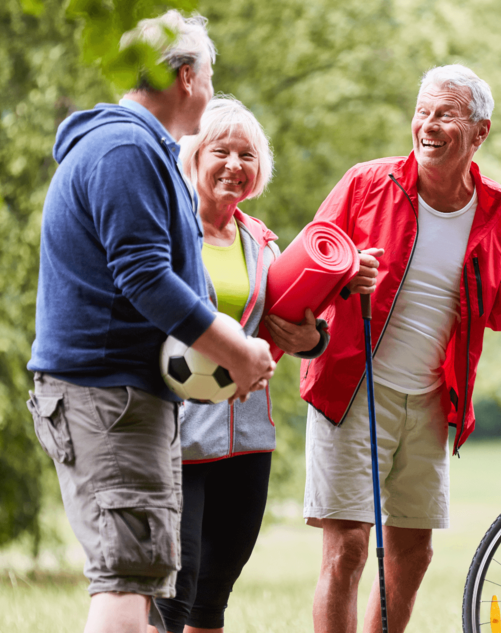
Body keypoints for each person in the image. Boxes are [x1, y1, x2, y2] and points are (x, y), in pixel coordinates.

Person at [301, 64, 501, 633]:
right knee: (349, 547)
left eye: (445, 115)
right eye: (422, 112)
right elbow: (308, 264)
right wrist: (345, 275)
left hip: (432, 400)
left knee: (412, 552)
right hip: (353, 388)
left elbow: (494, 306)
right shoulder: (366, 184)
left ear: (479, 132)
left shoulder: (499, 211)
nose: (427, 125)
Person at [27, 14, 275, 633]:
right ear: (186, 77)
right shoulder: (125, 149)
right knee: (124, 581)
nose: (209, 91)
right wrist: (235, 350)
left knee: (137, 587)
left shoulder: (141, 149)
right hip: (109, 398)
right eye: (209, 78)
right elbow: (144, 277)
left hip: (127, 398)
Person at [153, 96, 329, 633]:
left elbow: (293, 324)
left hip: (246, 438)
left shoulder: (262, 243)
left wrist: (314, 339)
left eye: (247, 155)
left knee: (214, 594)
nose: (234, 164)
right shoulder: (165, 228)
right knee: (173, 591)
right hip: (177, 436)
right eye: (221, 151)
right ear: (194, 156)